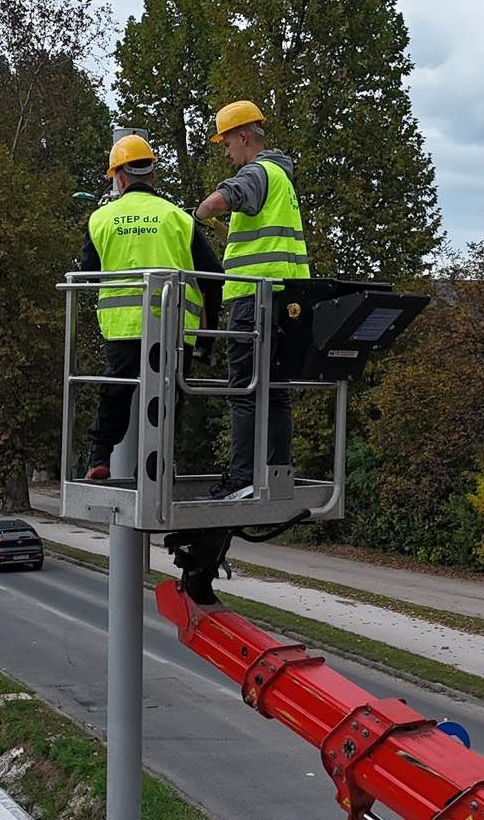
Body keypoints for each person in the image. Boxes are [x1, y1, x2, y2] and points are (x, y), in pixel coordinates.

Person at [171, 101, 311, 605]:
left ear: (244, 137)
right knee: (276, 391)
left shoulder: (257, 173)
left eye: (227, 142)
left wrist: (195, 215)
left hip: (256, 300)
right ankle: (275, 471)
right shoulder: (283, 177)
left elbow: (228, 197)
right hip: (288, 301)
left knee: (245, 390)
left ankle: (242, 478)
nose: (226, 151)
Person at [77, 134, 222, 481]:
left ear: (119, 178)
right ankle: (158, 464)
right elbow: (213, 277)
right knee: (168, 396)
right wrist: (206, 339)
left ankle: (99, 456)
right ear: (153, 176)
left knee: (115, 390)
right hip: (173, 329)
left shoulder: (101, 219)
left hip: (123, 328)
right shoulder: (179, 218)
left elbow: (88, 275)